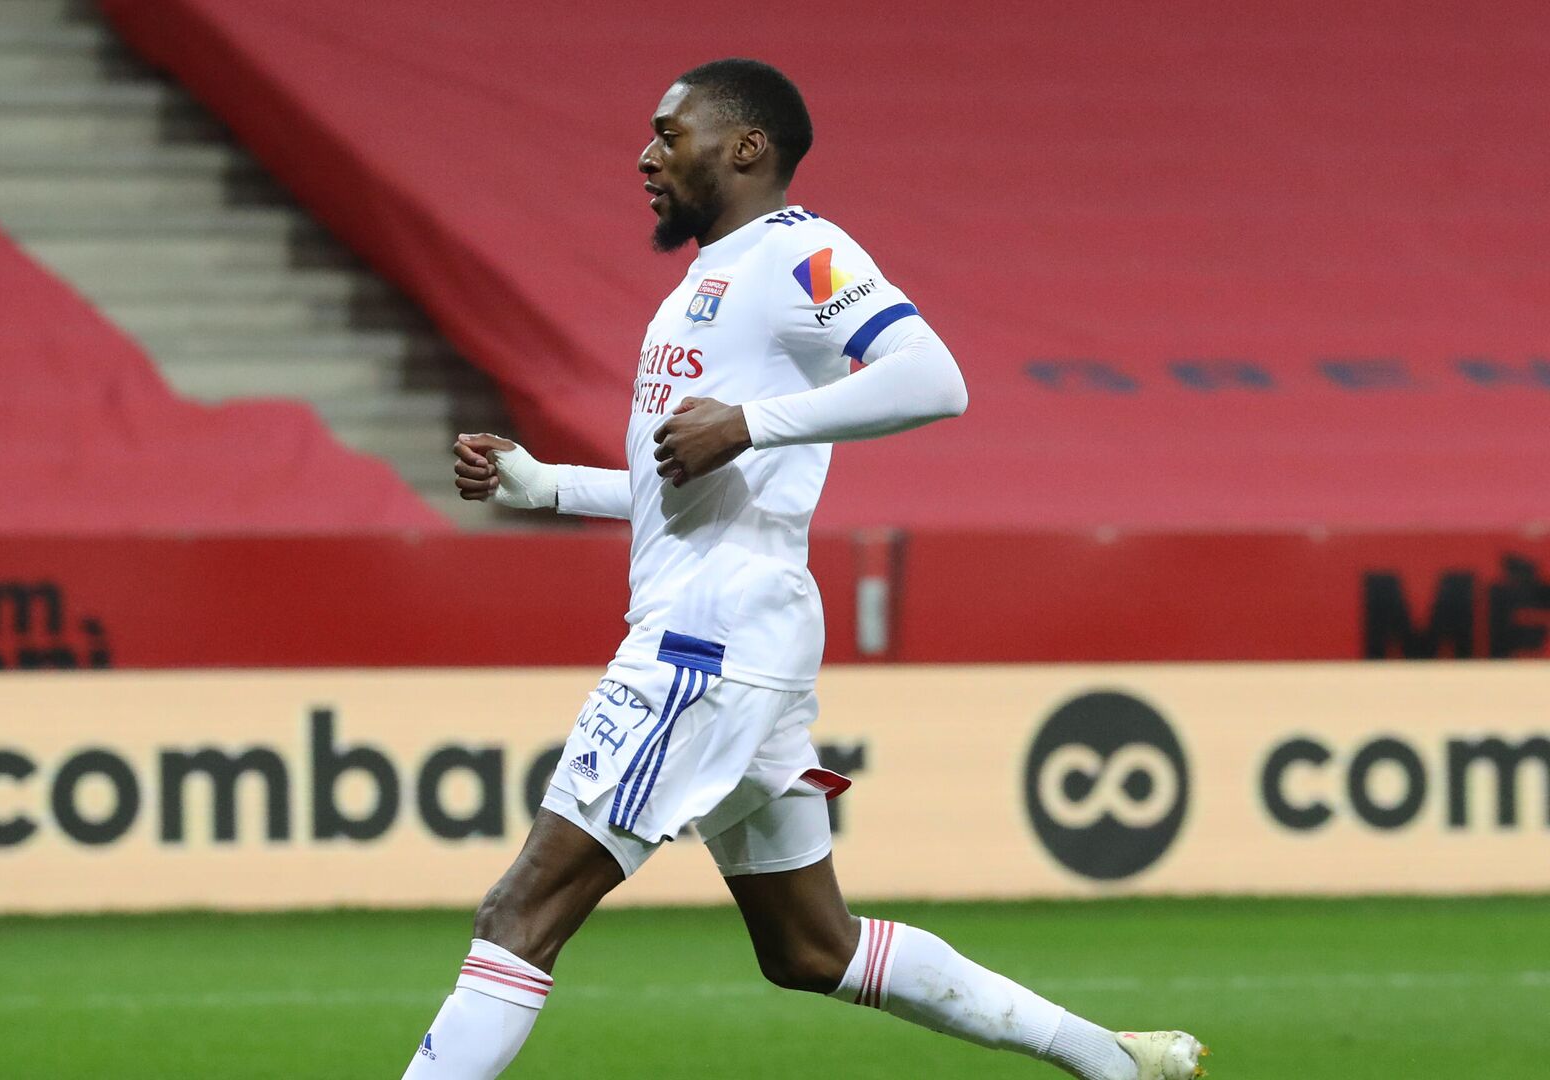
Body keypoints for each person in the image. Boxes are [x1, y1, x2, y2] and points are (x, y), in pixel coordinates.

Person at [412, 58, 1206, 1080]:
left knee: (521, 911)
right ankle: (1109, 1060)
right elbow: (682, 483)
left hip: (705, 644)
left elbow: (934, 378)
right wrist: (545, 485)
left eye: (670, 133)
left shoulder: (804, 254)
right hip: (746, 635)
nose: (647, 155)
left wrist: (748, 423)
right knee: (810, 948)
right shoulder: (708, 285)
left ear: (747, 147)